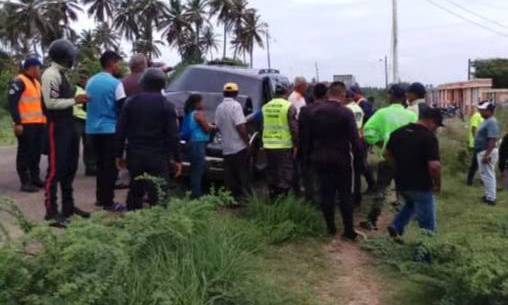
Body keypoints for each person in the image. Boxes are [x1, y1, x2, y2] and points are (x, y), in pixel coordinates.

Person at [116, 68, 182, 211]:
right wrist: (177, 159)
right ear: (163, 85)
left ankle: (134, 221)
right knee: (159, 192)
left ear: (143, 83)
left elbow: (120, 131)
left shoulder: (130, 103)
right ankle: (158, 224)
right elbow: (173, 135)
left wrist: (119, 155)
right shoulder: (167, 106)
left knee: (135, 189)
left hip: (135, 155)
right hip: (158, 157)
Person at [42, 39, 90, 224]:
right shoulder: (50, 75)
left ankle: (68, 207)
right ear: (63, 57)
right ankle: (51, 211)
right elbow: (51, 103)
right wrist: (75, 101)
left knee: (69, 167)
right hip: (57, 126)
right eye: (70, 57)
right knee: (55, 170)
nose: (72, 60)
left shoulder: (62, 74)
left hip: (68, 124)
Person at [308, 82, 361, 240]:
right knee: (345, 194)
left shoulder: (315, 112)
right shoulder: (346, 113)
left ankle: (330, 228)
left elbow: (308, 137)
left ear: (328, 94)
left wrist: (309, 156)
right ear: (343, 95)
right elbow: (354, 139)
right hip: (342, 159)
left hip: (320, 158)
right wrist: (359, 159)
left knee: (326, 194)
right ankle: (348, 230)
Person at [360, 84, 418, 231]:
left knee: (381, 190)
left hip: (388, 157)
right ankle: (402, 223)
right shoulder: (411, 115)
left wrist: (380, 143)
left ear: (391, 96)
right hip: (406, 159)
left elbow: (368, 132)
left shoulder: (382, 113)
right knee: (405, 191)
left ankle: (372, 220)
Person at [386, 108, 443, 242]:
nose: (436, 129)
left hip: (401, 183)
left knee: (411, 204)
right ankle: (423, 257)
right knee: (428, 225)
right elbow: (434, 166)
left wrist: (397, 169)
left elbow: (387, 154)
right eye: (436, 125)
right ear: (431, 121)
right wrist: (438, 185)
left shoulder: (398, 132)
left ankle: (397, 226)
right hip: (421, 185)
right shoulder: (429, 137)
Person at [86, 51, 127, 211]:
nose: (119, 66)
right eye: (118, 63)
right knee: (110, 167)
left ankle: (100, 199)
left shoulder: (90, 81)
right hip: (109, 130)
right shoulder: (116, 84)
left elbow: (85, 104)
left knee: (100, 166)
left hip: (91, 131)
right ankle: (108, 202)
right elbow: (123, 107)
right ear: (111, 63)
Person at [8, 58, 46, 192]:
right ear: (32, 67)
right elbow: (13, 103)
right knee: (25, 153)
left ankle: (35, 178)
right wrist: (17, 122)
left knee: (36, 152)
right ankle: (25, 182)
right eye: (39, 68)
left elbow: (41, 103)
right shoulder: (19, 81)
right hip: (25, 124)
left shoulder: (36, 82)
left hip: (38, 123)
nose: (40, 71)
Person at [214, 83, 251, 200]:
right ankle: (245, 198)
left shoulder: (219, 107)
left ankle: (231, 199)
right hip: (238, 147)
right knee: (242, 174)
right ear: (236, 93)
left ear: (224, 93)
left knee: (229, 176)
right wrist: (247, 142)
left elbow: (217, 126)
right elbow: (240, 126)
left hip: (226, 148)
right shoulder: (236, 106)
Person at [262, 84, 299, 199]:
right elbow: (294, 128)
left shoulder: (266, 106)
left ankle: (272, 195)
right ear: (286, 93)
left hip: (268, 145)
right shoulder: (288, 106)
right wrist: (296, 144)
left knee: (272, 171)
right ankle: (282, 199)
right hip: (283, 145)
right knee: (284, 172)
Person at [299, 83, 327, 204]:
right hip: (326, 149)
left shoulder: (304, 111)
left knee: (309, 177)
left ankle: (310, 200)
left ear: (313, 94)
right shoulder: (330, 109)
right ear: (326, 95)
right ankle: (324, 199)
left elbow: (301, 131)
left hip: (308, 149)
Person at [182, 94, 214, 198]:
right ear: (196, 103)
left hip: (191, 143)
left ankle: (196, 191)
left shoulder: (188, 114)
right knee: (197, 170)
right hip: (197, 144)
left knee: (196, 168)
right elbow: (206, 129)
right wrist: (215, 127)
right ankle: (196, 195)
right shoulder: (198, 114)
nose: (202, 104)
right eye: (201, 102)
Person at [474, 100, 501, 205]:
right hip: (483, 151)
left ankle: (491, 198)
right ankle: (489, 195)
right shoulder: (487, 120)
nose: (480, 112)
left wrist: (487, 155)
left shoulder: (491, 122)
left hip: (487, 151)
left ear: (489, 111)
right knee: (485, 174)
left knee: (488, 175)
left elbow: (492, 139)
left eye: (482, 110)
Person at [73, 71, 96, 176]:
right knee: (74, 145)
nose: (83, 80)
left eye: (85, 78)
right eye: (82, 78)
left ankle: (90, 168)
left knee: (89, 145)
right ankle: (71, 168)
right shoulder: (74, 89)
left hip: (88, 120)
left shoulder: (91, 89)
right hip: (76, 120)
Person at [466, 108, 484, 186]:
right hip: (476, 143)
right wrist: (477, 140)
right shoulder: (477, 116)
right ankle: (469, 181)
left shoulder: (483, 117)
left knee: (480, 163)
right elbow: (474, 128)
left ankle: (481, 180)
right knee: (475, 163)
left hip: (482, 143)